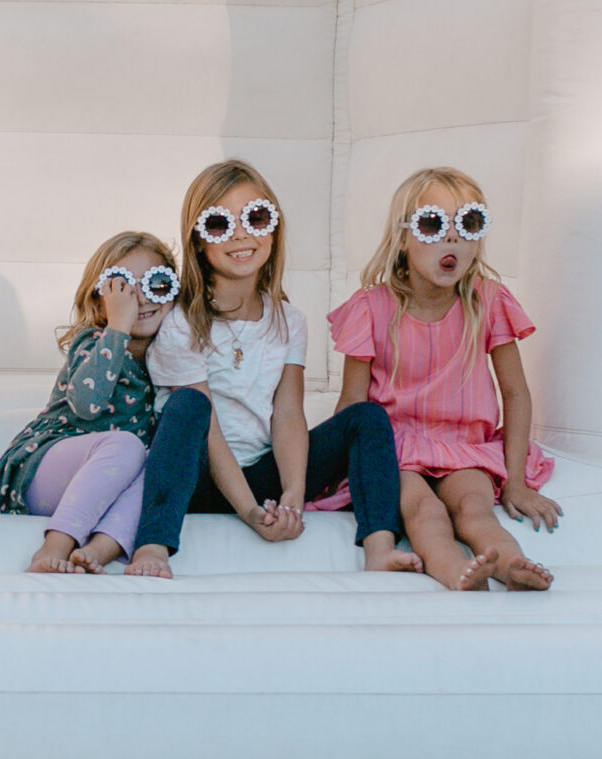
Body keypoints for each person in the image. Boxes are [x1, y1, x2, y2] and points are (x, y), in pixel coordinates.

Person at [127, 160, 401, 580]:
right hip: (198, 477)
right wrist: (250, 512)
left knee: (366, 418)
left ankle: (380, 546)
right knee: (188, 406)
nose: (240, 234)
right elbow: (211, 432)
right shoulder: (181, 322)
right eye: (219, 223)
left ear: (274, 228)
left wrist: (292, 493)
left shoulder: (290, 321)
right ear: (199, 241)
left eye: (255, 217)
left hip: (263, 472)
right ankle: (153, 544)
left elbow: (288, 414)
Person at [328, 168, 560, 591]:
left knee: (474, 507)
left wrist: (516, 482)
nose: (451, 238)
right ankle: (455, 571)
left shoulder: (487, 301)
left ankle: (512, 565)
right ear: (402, 239)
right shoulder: (371, 309)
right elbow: (352, 407)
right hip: (394, 449)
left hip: (463, 447)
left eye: (468, 223)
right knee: (423, 510)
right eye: (432, 224)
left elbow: (516, 393)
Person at [0, 231, 176, 573]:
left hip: (111, 484)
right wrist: (118, 326)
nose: (139, 299)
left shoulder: (172, 363)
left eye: (157, 284)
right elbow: (88, 404)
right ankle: (55, 545)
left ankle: (99, 550)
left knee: (158, 465)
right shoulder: (94, 343)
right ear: (100, 301)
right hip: (44, 469)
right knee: (127, 446)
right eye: (122, 288)